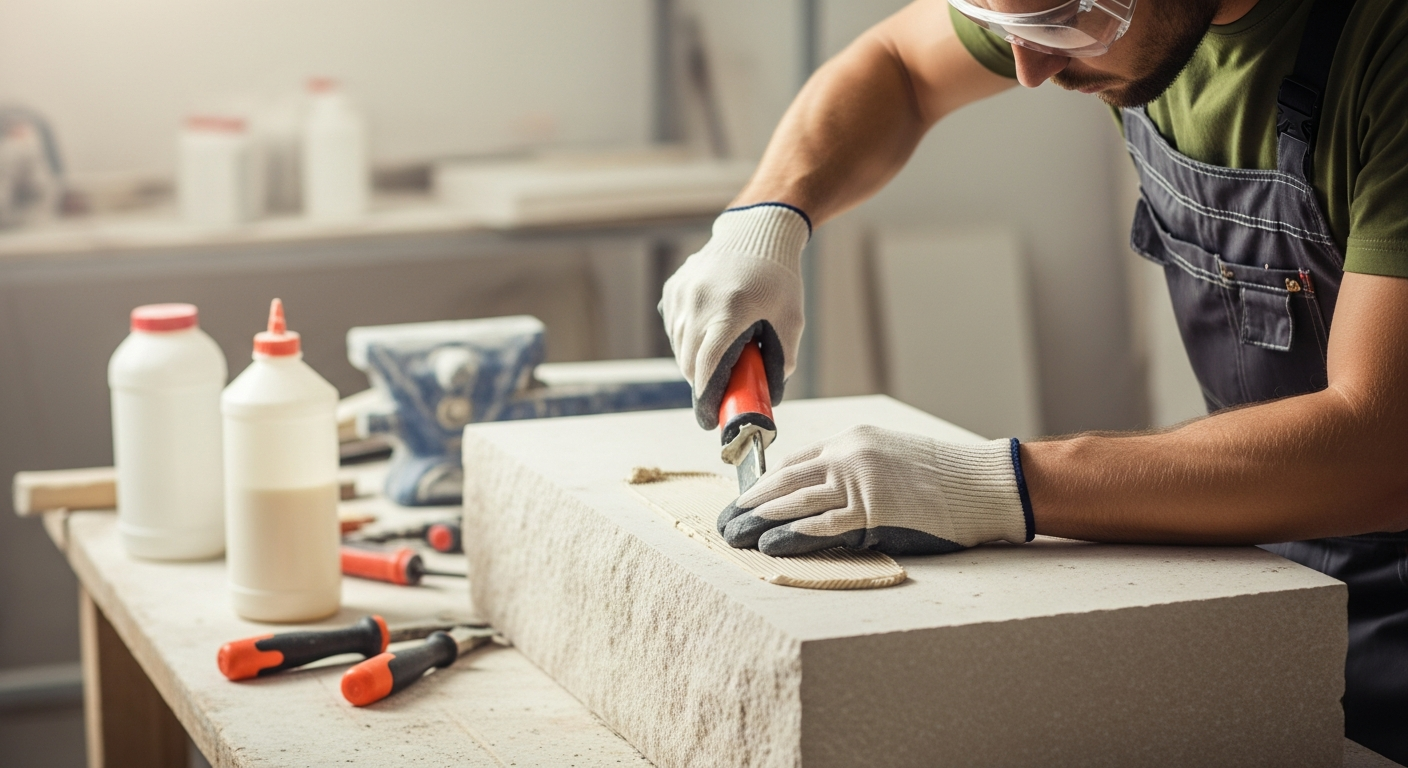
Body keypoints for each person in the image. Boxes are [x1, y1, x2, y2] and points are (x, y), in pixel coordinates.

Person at [658, 0, 1408, 759]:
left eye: (1059, 22)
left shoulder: (1387, 51)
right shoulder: (1108, 24)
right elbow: (902, 65)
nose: (1029, 69)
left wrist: (993, 485)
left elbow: (1379, 446)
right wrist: (765, 221)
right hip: (1261, 577)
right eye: (1004, 24)